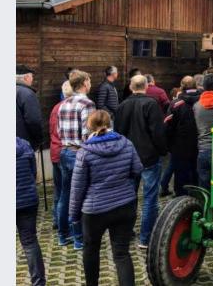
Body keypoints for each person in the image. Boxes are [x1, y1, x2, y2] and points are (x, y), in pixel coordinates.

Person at [70, 110, 143, 286]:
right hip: (125, 205)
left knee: (91, 250)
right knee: (122, 253)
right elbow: (138, 170)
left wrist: (73, 215)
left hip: (95, 211)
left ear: (89, 126)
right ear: (110, 123)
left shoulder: (84, 152)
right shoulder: (126, 143)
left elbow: (77, 188)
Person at [114, 75, 168, 249]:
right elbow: (157, 132)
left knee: (128, 197)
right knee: (150, 198)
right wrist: (162, 151)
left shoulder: (122, 106)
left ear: (131, 86)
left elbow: (118, 132)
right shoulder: (151, 104)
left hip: (128, 158)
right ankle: (145, 238)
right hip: (148, 157)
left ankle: (125, 233)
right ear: (146, 86)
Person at [57, 69, 95, 250]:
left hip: (64, 151)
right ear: (84, 83)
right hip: (79, 153)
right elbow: (89, 134)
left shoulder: (63, 103)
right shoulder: (87, 103)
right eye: (89, 80)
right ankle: (80, 239)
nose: (90, 83)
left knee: (65, 195)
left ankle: (63, 235)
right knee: (81, 196)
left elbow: (59, 130)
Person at [164, 76, 201, 196]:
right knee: (197, 173)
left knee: (180, 175)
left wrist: (170, 145)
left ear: (182, 87)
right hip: (199, 144)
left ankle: (181, 199)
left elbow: (168, 126)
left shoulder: (175, 104)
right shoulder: (202, 102)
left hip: (180, 147)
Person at [16, 137, 46, 286]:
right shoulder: (25, 145)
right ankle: (39, 282)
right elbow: (33, 173)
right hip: (27, 199)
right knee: (30, 243)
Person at [49, 80, 73, 230]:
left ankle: (57, 220)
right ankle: (66, 224)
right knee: (67, 191)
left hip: (54, 150)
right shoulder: (68, 108)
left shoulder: (56, 107)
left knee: (59, 190)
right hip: (64, 151)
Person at [16, 65, 43, 149]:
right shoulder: (27, 94)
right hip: (22, 145)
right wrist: (39, 140)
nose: (32, 79)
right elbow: (34, 120)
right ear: (26, 77)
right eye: (32, 76)